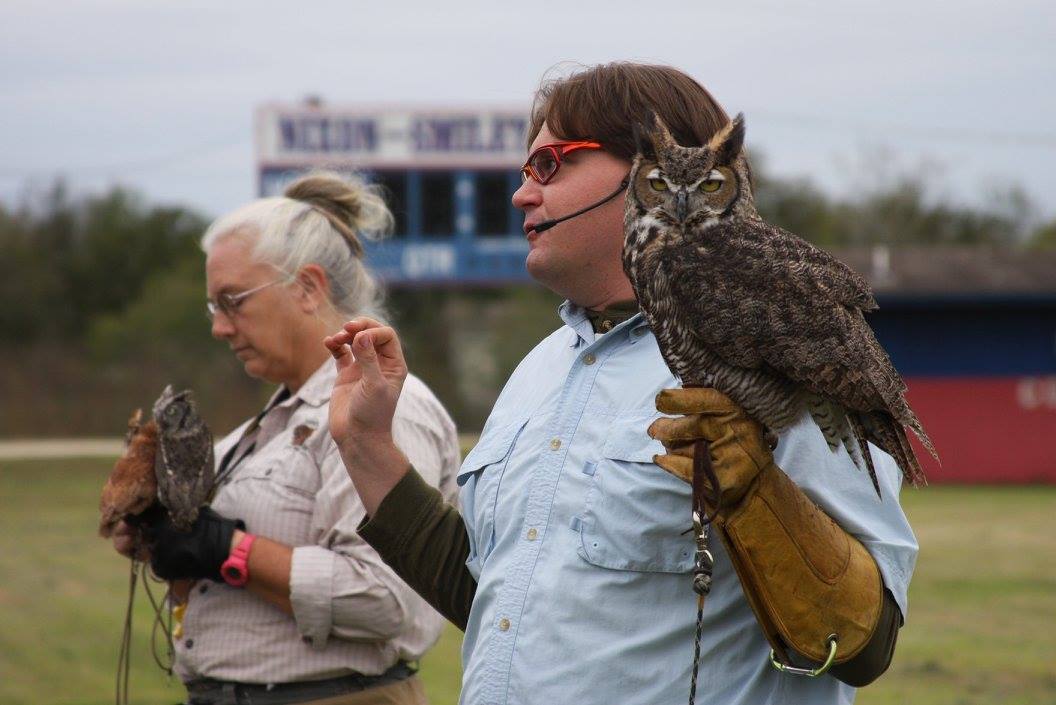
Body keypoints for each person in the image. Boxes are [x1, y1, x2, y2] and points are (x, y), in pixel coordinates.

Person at [324, 63, 917, 705]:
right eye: (523, 172)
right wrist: (366, 445)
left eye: (549, 164)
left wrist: (756, 497)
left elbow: (864, 641)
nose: (524, 193)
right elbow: (503, 603)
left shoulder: (765, 320)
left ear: (650, 170)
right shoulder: (540, 370)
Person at [111, 172, 461, 705]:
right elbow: (204, 547)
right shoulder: (267, 423)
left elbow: (387, 599)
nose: (219, 327)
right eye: (214, 307)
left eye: (232, 301)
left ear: (307, 287)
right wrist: (158, 535)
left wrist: (227, 549)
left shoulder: (383, 407)